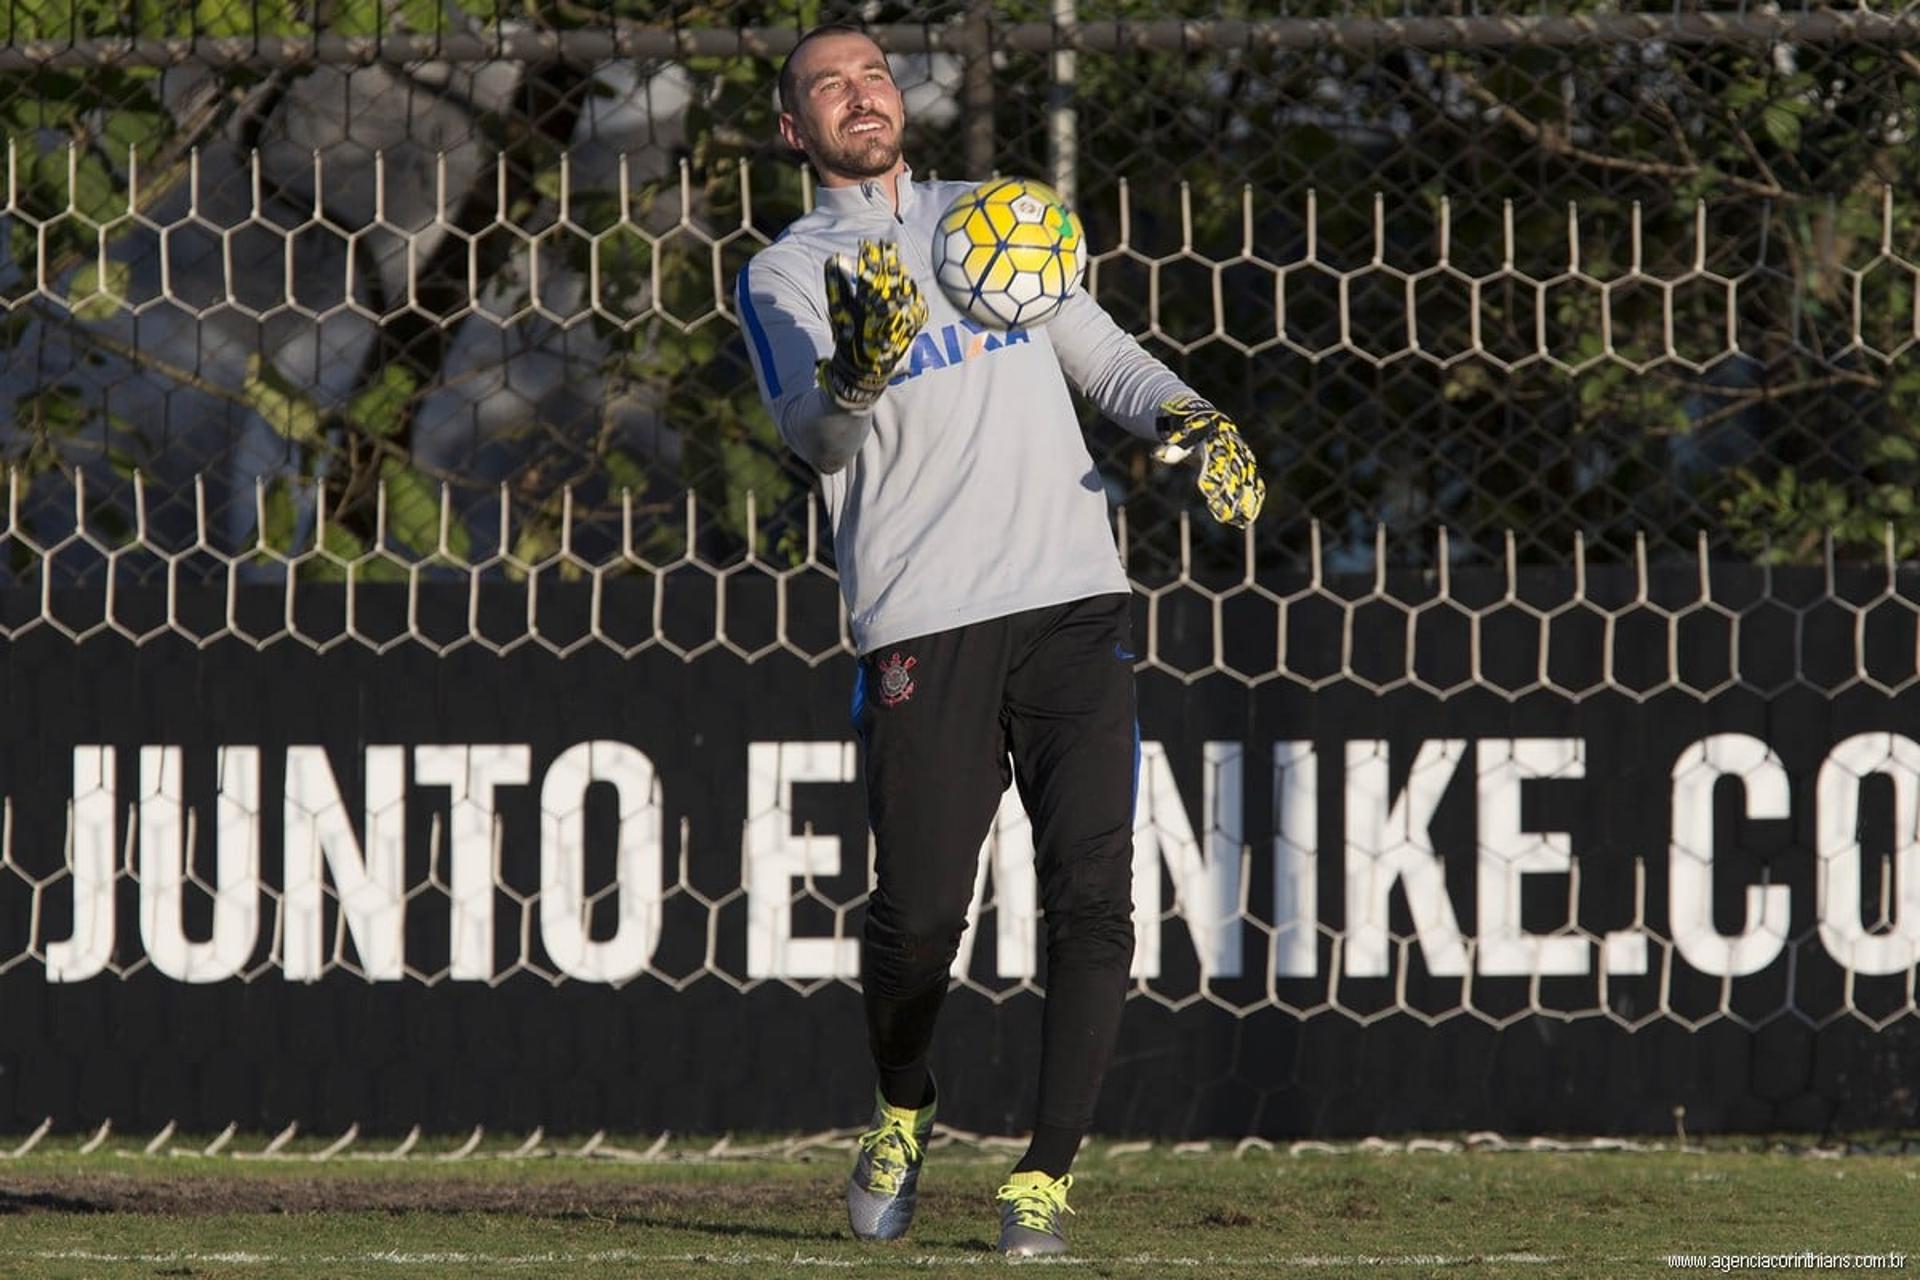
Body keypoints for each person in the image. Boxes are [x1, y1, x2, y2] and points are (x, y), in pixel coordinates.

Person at [734, 22, 1265, 1258]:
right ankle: (905, 1100)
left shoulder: (997, 214)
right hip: (924, 616)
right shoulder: (787, 270)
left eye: (872, 74)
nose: (861, 95)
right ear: (792, 127)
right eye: (829, 86)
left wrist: (1192, 414)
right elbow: (814, 439)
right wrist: (861, 377)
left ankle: (1043, 1180)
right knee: (919, 915)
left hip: (1078, 596)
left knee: (1095, 895)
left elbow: (1101, 355)